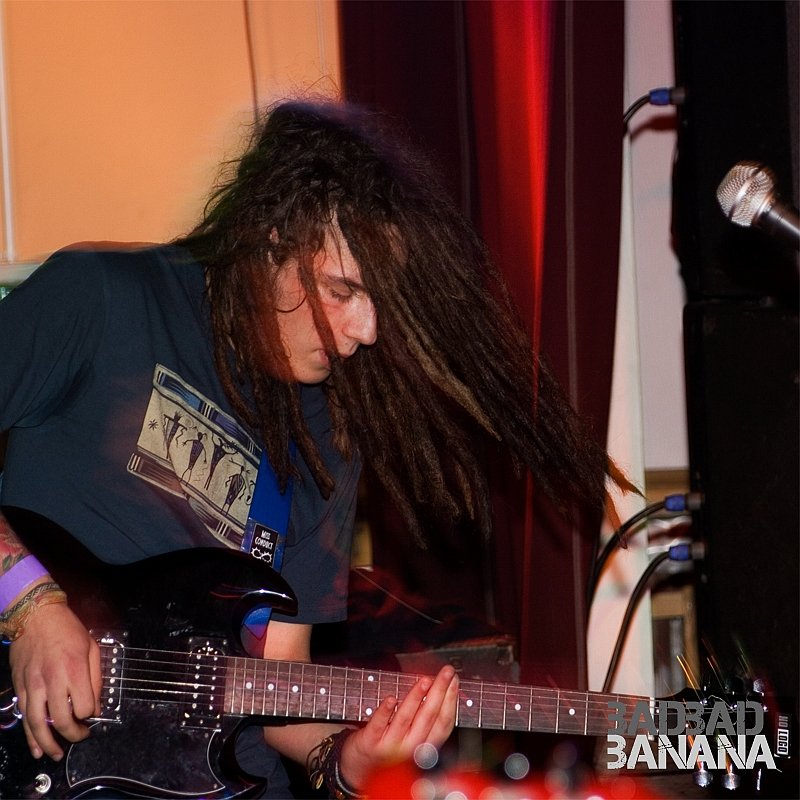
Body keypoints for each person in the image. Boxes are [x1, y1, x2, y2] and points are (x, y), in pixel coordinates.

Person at [0, 100, 622, 797]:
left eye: (379, 301)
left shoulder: (324, 433)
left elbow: (279, 685)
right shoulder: (101, 297)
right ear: (273, 238)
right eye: (342, 289)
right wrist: (32, 607)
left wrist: (349, 761)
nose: (367, 330)